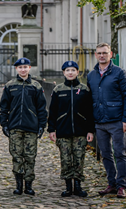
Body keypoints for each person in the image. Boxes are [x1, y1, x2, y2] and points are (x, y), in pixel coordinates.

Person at [87, 42, 126, 199]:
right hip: (99, 122)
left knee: (120, 153)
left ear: (111, 54)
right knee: (106, 154)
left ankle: (121, 185)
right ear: (95, 55)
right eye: (99, 53)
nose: (102, 55)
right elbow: (88, 100)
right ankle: (111, 184)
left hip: (116, 121)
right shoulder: (91, 75)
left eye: (105, 53)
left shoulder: (119, 73)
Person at [0, 57, 47, 195]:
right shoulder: (10, 85)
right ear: (16, 69)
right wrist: (4, 124)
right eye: (20, 67)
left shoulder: (36, 86)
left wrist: (42, 125)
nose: (23, 69)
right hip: (15, 127)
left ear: (29, 68)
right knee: (17, 156)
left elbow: (41, 108)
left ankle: (29, 185)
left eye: (25, 67)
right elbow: (4, 107)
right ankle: (18, 184)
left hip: (31, 127)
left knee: (30, 156)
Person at [47, 61, 95, 197]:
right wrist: (52, 129)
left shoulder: (84, 89)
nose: (70, 72)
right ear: (63, 73)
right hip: (63, 132)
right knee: (66, 160)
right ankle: (68, 186)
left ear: (77, 72)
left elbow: (89, 111)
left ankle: (78, 186)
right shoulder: (58, 89)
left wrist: (90, 130)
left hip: (81, 132)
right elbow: (53, 111)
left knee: (79, 159)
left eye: (73, 70)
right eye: (67, 70)